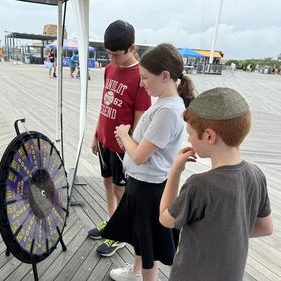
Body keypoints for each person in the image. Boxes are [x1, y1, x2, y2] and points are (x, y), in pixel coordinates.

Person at [102, 43, 195, 281]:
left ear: (164, 76)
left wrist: (123, 134)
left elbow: (141, 155)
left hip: (148, 188)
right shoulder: (165, 105)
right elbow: (145, 150)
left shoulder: (168, 111)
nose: (142, 83)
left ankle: (144, 277)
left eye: (145, 78)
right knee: (141, 238)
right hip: (144, 182)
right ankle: (135, 272)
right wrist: (128, 141)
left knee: (148, 246)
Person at [159, 87, 274, 281]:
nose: (188, 139)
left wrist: (175, 172)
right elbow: (266, 227)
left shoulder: (200, 185)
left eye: (190, 133)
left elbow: (165, 219)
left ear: (209, 136)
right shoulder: (256, 175)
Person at [88, 20, 151, 257]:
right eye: (109, 54)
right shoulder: (109, 70)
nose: (112, 59)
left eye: (117, 54)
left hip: (122, 146)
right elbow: (105, 106)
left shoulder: (140, 77)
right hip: (105, 141)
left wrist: (131, 149)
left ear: (132, 48)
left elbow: (139, 120)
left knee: (120, 190)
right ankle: (112, 221)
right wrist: (96, 134)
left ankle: (122, 233)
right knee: (107, 183)